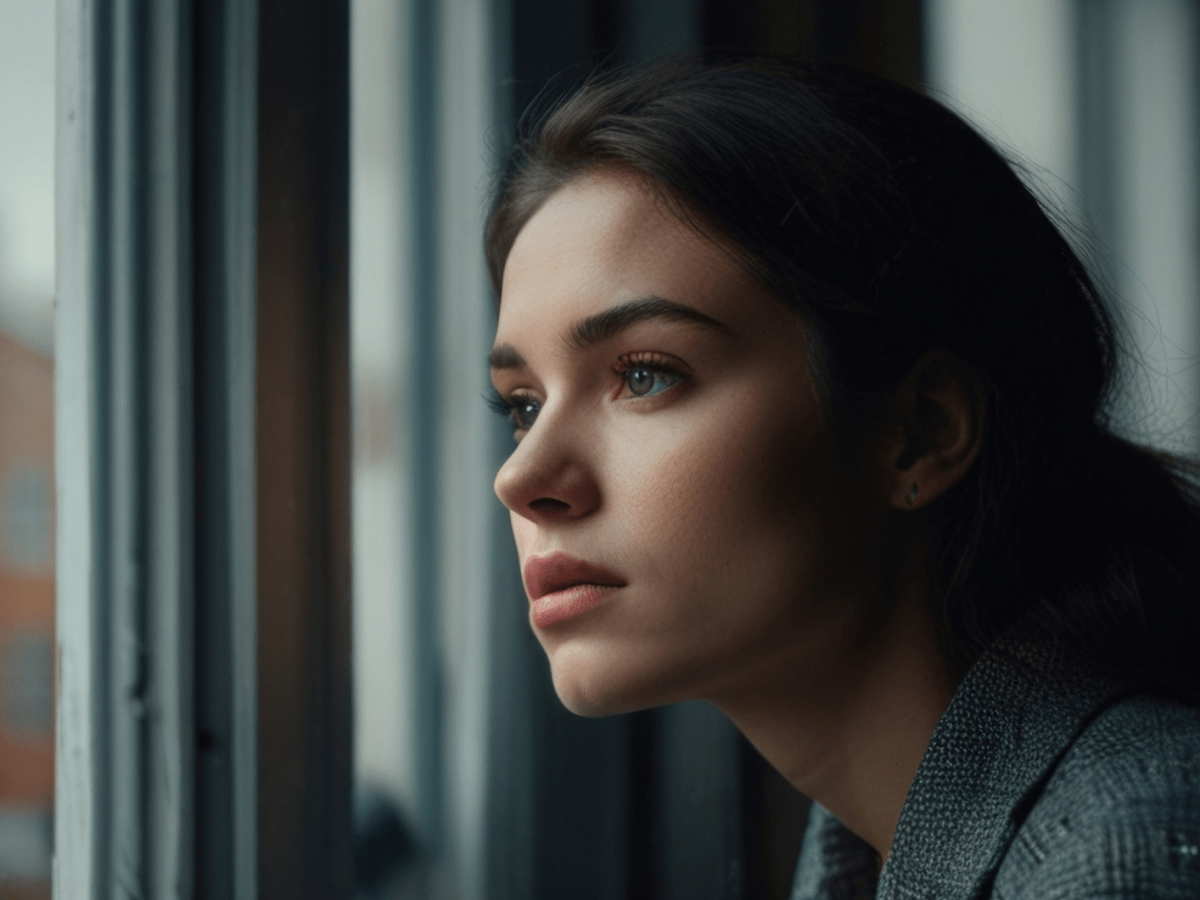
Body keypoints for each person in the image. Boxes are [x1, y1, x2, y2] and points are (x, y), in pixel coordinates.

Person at [483, 57, 1200, 899]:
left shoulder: (1122, 848)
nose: (522, 478)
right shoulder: (871, 848)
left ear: (920, 432)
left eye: (644, 375)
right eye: (523, 404)